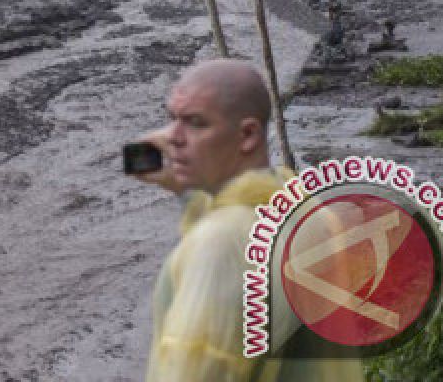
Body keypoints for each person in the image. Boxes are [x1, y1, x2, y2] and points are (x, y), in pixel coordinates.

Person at [132, 58, 362, 382]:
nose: (171, 137)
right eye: (172, 119)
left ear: (248, 134)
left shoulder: (220, 244)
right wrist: (184, 188)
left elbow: (195, 369)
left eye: (196, 123)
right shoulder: (302, 208)